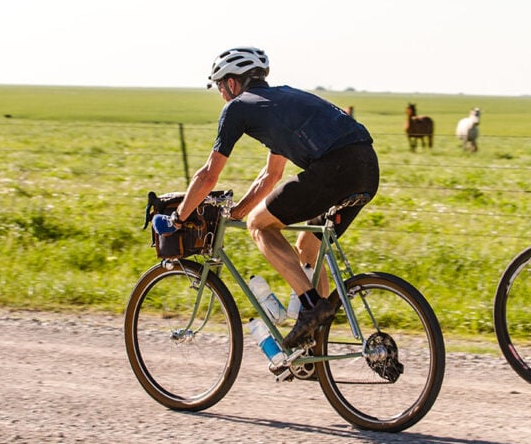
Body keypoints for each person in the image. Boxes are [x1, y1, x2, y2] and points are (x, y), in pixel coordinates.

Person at [154, 47, 379, 349]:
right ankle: (315, 349)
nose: (221, 93)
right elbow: (270, 176)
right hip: (366, 167)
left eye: (220, 86)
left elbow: (209, 175)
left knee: (259, 225)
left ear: (233, 83)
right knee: (308, 246)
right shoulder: (280, 102)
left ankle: (311, 306)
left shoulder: (238, 107)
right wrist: (238, 211)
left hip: (335, 169)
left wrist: (178, 217)